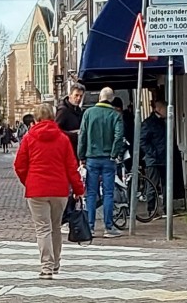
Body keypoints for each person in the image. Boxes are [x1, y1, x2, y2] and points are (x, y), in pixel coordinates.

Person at [14, 99, 82, 279]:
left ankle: (46, 267)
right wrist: (78, 188)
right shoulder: (62, 138)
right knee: (55, 227)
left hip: (36, 189)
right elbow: (71, 166)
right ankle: (56, 263)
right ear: (52, 117)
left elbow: (19, 165)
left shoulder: (29, 138)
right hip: (59, 189)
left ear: (35, 120)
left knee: (42, 228)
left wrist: (28, 182)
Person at [79, 85, 127, 238]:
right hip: (108, 159)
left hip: (91, 158)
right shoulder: (115, 115)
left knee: (91, 193)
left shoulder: (88, 113)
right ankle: (108, 227)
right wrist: (114, 153)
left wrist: (81, 156)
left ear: (100, 97)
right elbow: (119, 136)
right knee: (108, 193)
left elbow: (82, 136)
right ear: (112, 99)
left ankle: (91, 227)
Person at [140, 96, 168, 203]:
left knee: (166, 184)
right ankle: (151, 209)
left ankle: (167, 207)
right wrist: (153, 153)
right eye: (166, 109)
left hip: (163, 158)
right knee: (152, 184)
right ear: (160, 109)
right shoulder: (149, 123)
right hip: (154, 159)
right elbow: (142, 141)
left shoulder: (163, 122)